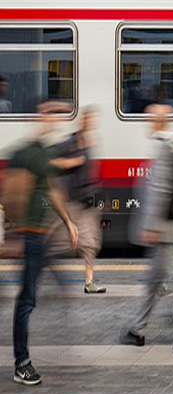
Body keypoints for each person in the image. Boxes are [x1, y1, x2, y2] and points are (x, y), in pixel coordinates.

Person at [120, 104, 173, 350]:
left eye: (151, 119)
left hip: (163, 228)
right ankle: (137, 330)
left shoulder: (163, 150)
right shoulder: (171, 148)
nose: (148, 123)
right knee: (154, 282)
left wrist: (151, 225)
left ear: (159, 122)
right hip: (169, 226)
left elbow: (159, 191)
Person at [11, 102, 79, 385]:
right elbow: (15, 191)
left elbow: (51, 190)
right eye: (51, 114)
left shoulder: (44, 154)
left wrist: (68, 223)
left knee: (27, 299)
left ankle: (21, 360)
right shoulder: (26, 153)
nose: (56, 120)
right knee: (25, 301)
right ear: (39, 116)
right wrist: (17, 234)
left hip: (38, 237)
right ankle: (21, 363)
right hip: (29, 236)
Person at [47, 106, 105, 293]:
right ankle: (39, 264)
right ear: (82, 121)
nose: (91, 123)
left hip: (88, 202)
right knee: (60, 241)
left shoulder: (89, 142)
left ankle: (89, 283)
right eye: (88, 120)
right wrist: (69, 163)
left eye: (93, 120)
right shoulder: (70, 143)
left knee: (91, 243)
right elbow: (48, 159)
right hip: (72, 201)